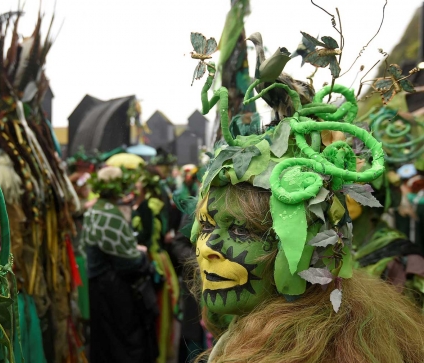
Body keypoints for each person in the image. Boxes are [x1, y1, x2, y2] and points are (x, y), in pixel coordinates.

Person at [185, 40, 424, 362]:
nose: (206, 247)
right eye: (206, 225)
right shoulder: (242, 330)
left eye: (241, 230)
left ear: (308, 248)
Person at [82, 166, 158, 363]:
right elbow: (128, 261)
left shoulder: (94, 210)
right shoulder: (110, 214)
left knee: (105, 343)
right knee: (122, 344)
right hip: (115, 292)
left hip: (98, 288)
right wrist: (141, 256)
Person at [132, 166, 179, 363]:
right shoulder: (148, 204)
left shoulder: (149, 207)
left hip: (152, 261)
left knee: (155, 308)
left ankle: (156, 353)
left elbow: (147, 237)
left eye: (138, 180)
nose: (134, 184)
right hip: (153, 258)